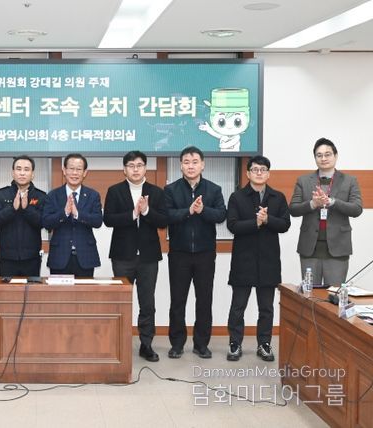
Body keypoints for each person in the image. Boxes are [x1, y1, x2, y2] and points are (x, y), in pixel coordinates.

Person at [103, 151, 168, 362]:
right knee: (121, 302)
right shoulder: (115, 191)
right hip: (122, 256)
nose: (135, 169)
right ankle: (119, 344)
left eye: (139, 165)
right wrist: (132, 214)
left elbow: (163, 221)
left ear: (145, 168)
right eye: (131, 165)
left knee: (147, 302)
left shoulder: (156, 192)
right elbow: (108, 219)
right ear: (124, 169)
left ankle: (146, 344)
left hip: (149, 257)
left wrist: (147, 211)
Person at [226, 156, 290, 362]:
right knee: (238, 307)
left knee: (266, 308)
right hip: (243, 260)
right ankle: (235, 343)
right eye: (255, 169)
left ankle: (264, 344)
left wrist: (268, 219)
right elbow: (232, 225)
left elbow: (285, 225)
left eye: (263, 169)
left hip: (268, 261)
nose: (259, 173)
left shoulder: (278, 197)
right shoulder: (237, 197)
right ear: (248, 173)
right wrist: (256, 222)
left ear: (268, 174)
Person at [164, 146, 226, 359]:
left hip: (205, 254)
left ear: (202, 165)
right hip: (179, 253)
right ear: (181, 165)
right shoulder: (171, 190)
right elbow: (167, 216)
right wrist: (189, 211)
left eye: (195, 162)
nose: (191, 166)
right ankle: (177, 344)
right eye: (187, 162)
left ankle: (201, 344)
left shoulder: (214, 189)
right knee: (177, 300)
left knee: (204, 300)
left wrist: (203, 210)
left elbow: (221, 215)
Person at [289, 138, 362, 286]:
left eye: (327, 154)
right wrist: (312, 204)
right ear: (315, 158)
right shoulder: (303, 180)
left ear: (336, 156)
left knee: (333, 295)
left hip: (338, 248)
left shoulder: (349, 180)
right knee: (309, 294)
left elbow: (356, 209)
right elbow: (293, 209)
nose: (323, 158)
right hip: (310, 249)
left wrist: (332, 202)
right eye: (319, 155)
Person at [42, 153, 102, 277]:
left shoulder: (93, 195)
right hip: (59, 256)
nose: (75, 173)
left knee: (85, 290)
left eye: (79, 169)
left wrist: (78, 214)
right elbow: (46, 222)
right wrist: (64, 213)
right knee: (59, 290)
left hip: (85, 256)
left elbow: (97, 221)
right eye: (71, 168)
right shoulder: (53, 195)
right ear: (64, 170)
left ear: (84, 172)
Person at [0, 155, 46, 277]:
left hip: (32, 258)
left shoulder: (41, 196)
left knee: (31, 289)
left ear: (32, 174)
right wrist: (12, 209)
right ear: (13, 173)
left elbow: (43, 222)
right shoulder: (1, 194)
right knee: (7, 290)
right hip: (7, 258)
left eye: (26, 169)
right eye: (18, 169)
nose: (22, 173)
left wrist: (27, 209)